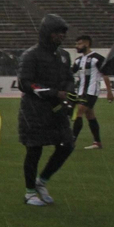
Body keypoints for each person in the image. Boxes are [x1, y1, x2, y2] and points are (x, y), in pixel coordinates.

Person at [18, 14, 76, 204]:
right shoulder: (31, 55)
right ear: (47, 33)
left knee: (67, 145)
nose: (61, 36)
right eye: (57, 32)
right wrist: (53, 93)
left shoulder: (64, 55)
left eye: (63, 33)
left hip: (57, 111)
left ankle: (41, 181)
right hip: (34, 111)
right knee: (34, 151)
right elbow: (25, 83)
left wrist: (67, 91)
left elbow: (69, 78)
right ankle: (29, 193)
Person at [71, 34, 110, 150]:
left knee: (78, 112)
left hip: (92, 91)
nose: (76, 46)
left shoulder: (97, 58)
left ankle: (71, 141)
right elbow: (69, 73)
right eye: (76, 44)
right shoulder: (78, 60)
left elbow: (105, 75)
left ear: (87, 43)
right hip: (81, 91)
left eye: (79, 44)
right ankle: (97, 142)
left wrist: (109, 91)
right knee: (90, 115)